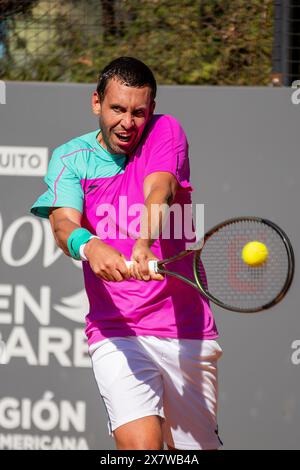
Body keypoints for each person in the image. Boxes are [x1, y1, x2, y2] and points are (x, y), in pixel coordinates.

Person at [30, 57, 223, 451]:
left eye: (138, 112)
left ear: (150, 110)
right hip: (118, 333)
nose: (128, 122)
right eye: (117, 109)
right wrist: (89, 244)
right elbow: (63, 223)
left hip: (186, 332)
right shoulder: (71, 158)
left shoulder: (165, 130)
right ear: (96, 102)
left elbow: (161, 189)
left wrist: (143, 240)